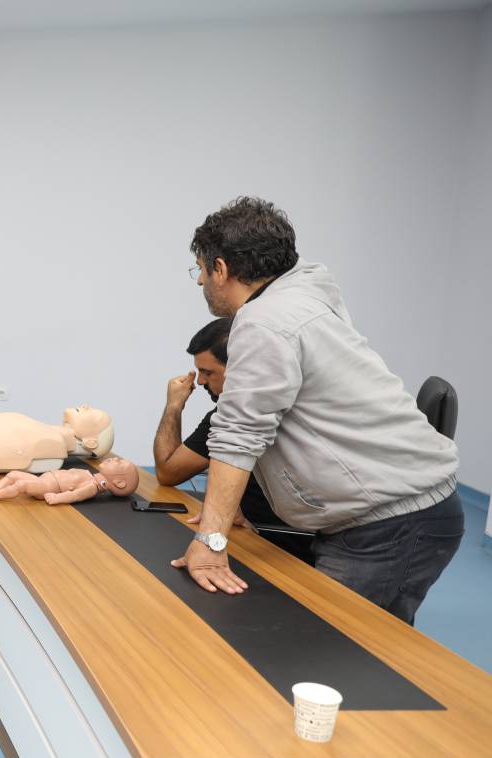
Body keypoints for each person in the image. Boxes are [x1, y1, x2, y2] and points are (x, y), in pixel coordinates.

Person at [173, 197, 462, 624]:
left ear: (221, 268)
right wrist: (229, 506)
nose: (199, 280)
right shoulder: (304, 291)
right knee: (342, 646)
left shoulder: (264, 322)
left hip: (390, 524)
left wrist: (211, 541)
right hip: (398, 512)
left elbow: (238, 435)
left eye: (200, 268)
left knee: (329, 645)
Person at [154, 318, 314, 563]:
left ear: (239, 369)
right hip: (252, 535)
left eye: (208, 373)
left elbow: (168, 471)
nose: (200, 381)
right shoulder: (229, 415)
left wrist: (173, 406)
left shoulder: (243, 415)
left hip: (283, 547)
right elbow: (168, 473)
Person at [0, 457, 140, 504]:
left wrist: (57, 498)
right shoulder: (90, 476)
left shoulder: (92, 486)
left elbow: (75, 496)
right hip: (44, 478)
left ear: (119, 483)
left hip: (47, 486)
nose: (114, 459)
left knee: (22, 484)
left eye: (119, 463)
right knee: (14, 474)